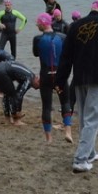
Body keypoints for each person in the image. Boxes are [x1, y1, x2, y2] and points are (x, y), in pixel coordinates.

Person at [55, 0, 98, 174]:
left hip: (79, 78)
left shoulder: (76, 26)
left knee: (85, 116)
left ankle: (90, 153)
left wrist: (60, 80)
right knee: (93, 118)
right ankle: (80, 159)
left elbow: (66, 56)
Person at [32, 13, 72, 143]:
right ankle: (68, 132)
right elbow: (67, 55)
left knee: (47, 106)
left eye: (38, 23)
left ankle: (49, 138)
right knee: (65, 102)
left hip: (46, 76)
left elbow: (36, 53)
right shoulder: (63, 37)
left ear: (43, 24)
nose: (37, 24)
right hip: (60, 76)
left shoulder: (37, 39)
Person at [0, 51, 39, 126]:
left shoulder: (28, 75)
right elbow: (19, 96)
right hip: (1, 71)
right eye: (38, 86)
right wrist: (19, 111)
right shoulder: (29, 78)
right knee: (12, 95)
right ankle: (16, 120)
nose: (37, 88)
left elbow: (19, 92)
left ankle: (7, 119)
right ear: (37, 79)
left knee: (7, 94)